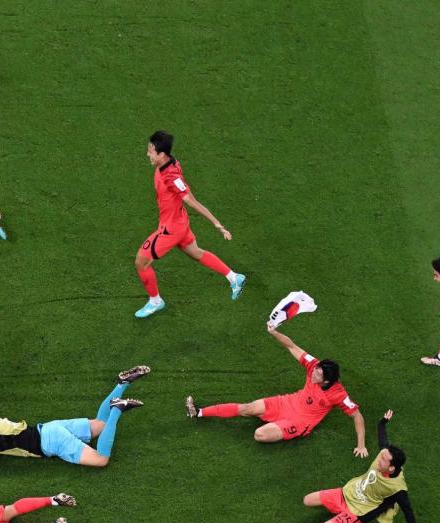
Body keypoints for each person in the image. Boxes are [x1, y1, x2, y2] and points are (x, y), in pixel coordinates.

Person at [0, 366, 149, 478]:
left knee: (101, 459)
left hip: (52, 442)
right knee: (99, 424)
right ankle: (121, 384)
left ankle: (118, 409)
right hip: (49, 427)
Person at [186, 324, 367, 457]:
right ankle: (199, 412)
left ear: (327, 380)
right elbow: (292, 346)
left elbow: (357, 416)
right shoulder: (314, 366)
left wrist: (361, 446)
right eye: (316, 370)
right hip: (287, 402)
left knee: (259, 434)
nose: (313, 374)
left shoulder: (338, 394)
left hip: (299, 421)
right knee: (247, 408)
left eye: (318, 375)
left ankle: (275, 425)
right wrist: (274, 332)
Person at [134, 130, 245, 318]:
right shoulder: (170, 163)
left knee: (141, 262)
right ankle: (234, 278)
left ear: (162, 154)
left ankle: (155, 301)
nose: (148, 154)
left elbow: (191, 200)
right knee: (196, 253)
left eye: (151, 151)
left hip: (171, 229)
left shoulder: (170, 176)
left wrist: (216, 223)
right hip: (179, 221)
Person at [304, 410, 433, 523]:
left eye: (384, 459)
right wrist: (383, 421)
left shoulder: (398, 489)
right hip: (347, 492)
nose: (379, 458)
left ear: (391, 468)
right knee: (307, 500)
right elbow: (382, 434)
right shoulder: (384, 453)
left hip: (358, 511)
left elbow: (408, 512)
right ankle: (339, 513)